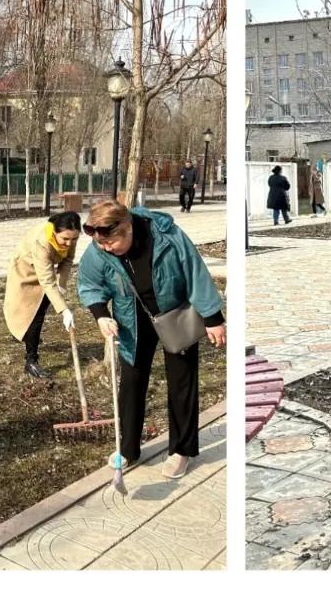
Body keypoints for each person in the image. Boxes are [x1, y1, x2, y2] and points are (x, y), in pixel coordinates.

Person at [77, 199, 225, 480]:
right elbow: (89, 283)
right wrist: (100, 315)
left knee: (182, 382)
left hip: (175, 313)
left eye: (111, 244)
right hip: (131, 317)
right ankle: (129, 448)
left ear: (127, 229)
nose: (106, 249)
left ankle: (181, 450)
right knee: (131, 383)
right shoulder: (99, 248)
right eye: (101, 244)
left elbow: (194, 270)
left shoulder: (167, 235)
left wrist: (213, 318)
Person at [3, 210, 81, 379]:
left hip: (44, 271)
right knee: (31, 312)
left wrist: (61, 285)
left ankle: (28, 337)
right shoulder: (43, 242)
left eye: (74, 239)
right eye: (65, 239)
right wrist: (64, 310)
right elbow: (46, 281)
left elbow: (67, 261)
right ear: (55, 232)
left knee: (41, 310)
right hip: (25, 268)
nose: (69, 243)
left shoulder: (70, 236)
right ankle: (31, 361)